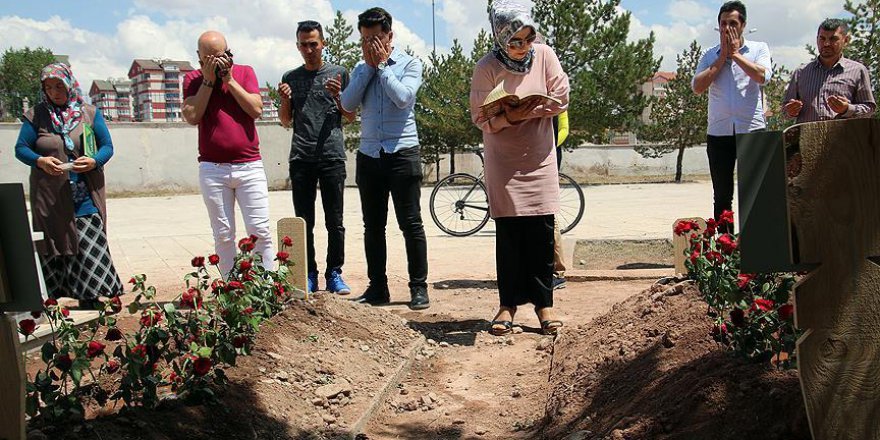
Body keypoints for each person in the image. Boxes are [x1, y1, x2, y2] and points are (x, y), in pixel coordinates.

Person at [470, 0, 570, 335]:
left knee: (541, 232)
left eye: (527, 39)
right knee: (510, 234)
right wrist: (509, 115)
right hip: (504, 160)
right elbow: (479, 116)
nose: (522, 47)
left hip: (539, 157)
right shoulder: (486, 67)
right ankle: (507, 307)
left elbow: (561, 96)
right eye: (514, 41)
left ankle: (545, 306)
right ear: (500, 37)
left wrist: (526, 111)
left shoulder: (545, 56)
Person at [340, 7, 430, 310]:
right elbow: (348, 103)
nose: (370, 45)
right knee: (373, 227)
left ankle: (418, 287)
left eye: (376, 38)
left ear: (390, 36)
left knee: (411, 224)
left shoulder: (410, 64)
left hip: (402, 153)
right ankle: (378, 287)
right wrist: (367, 68)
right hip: (369, 155)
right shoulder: (360, 68)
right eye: (365, 39)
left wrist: (381, 67)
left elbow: (404, 97)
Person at [14, 63, 123, 308]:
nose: (54, 92)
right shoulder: (36, 116)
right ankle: (55, 296)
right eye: (49, 87)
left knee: (89, 241)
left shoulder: (89, 113)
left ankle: (91, 296)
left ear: (70, 84)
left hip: (84, 194)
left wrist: (94, 161)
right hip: (51, 196)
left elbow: (107, 147)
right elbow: (21, 149)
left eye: (59, 85)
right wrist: (40, 161)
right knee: (56, 241)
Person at [183, 31, 275, 275]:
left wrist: (230, 80)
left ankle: (267, 287)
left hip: (249, 165)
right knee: (223, 234)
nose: (214, 62)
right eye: (208, 58)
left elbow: (256, 110)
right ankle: (230, 288)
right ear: (199, 58)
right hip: (213, 169)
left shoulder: (245, 72)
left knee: (260, 230)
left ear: (228, 53)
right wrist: (208, 81)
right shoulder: (193, 79)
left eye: (219, 56)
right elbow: (192, 116)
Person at [279, 20, 356, 294]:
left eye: (313, 43)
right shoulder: (290, 77)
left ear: (323, 43)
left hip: (332, 156)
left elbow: (350, 115)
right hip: (301, 158)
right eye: (304, 44)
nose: (309, 49)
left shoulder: (339, 74)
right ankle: (308, 274)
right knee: (304, 222)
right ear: (298, 46)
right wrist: (285, 99)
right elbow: (286, 121)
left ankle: (334, 273)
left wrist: (338, 97)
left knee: (335, 221)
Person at [692, 1, 772, 230]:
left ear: (743, 25)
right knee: (722, 195)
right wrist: (722, 58)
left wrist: (735, 55)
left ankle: (757, 250)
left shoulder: (759, 49)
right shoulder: (709, 55)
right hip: (719, 133)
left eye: (733, 23)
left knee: (755, 193)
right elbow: (697, 87)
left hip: (752, 131)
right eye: (723, 23)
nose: (728, 28)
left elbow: (763, 77)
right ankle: (726, 253)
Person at [783, 18, 876, 123]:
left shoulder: (858, 71)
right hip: (808, 137)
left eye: (833, 39)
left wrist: (847, 109)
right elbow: (785, 112)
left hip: (843, 137)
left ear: (846, 40)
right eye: (822, 38)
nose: (826, 44)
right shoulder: (801, 73)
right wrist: (790, 111)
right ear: (817, 39)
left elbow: (869, 109)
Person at [552, 110, 569, 290]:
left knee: (548, 215)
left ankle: (558, 272)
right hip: (526, 160)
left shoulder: (557, 103)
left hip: (548, 159)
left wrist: (544, 145)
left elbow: (564, 129)